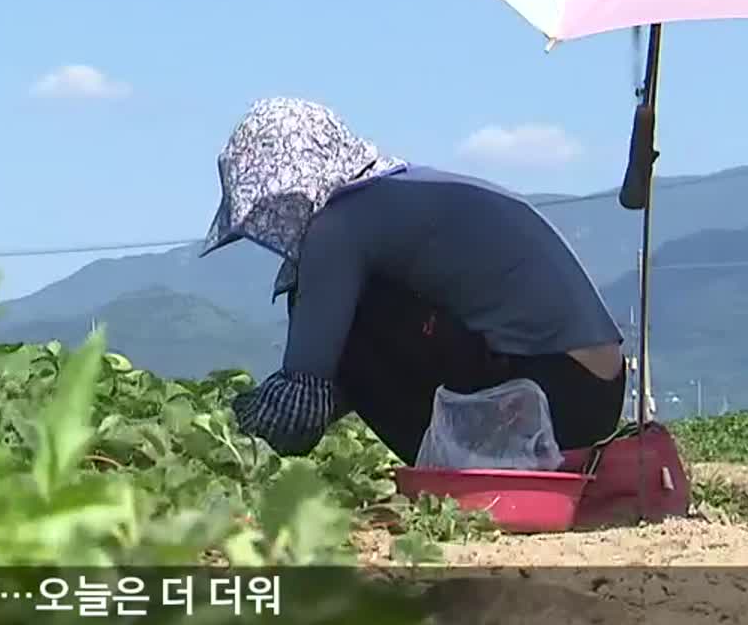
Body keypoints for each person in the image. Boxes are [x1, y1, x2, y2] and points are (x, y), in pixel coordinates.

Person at [199, 97, 628, 464]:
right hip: (597, 396)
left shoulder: (339, 226)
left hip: (546, 400)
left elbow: (302, 405)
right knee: (346, 313)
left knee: (324, 303)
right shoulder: (399, 192)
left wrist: (221, 433)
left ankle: (443, 467)